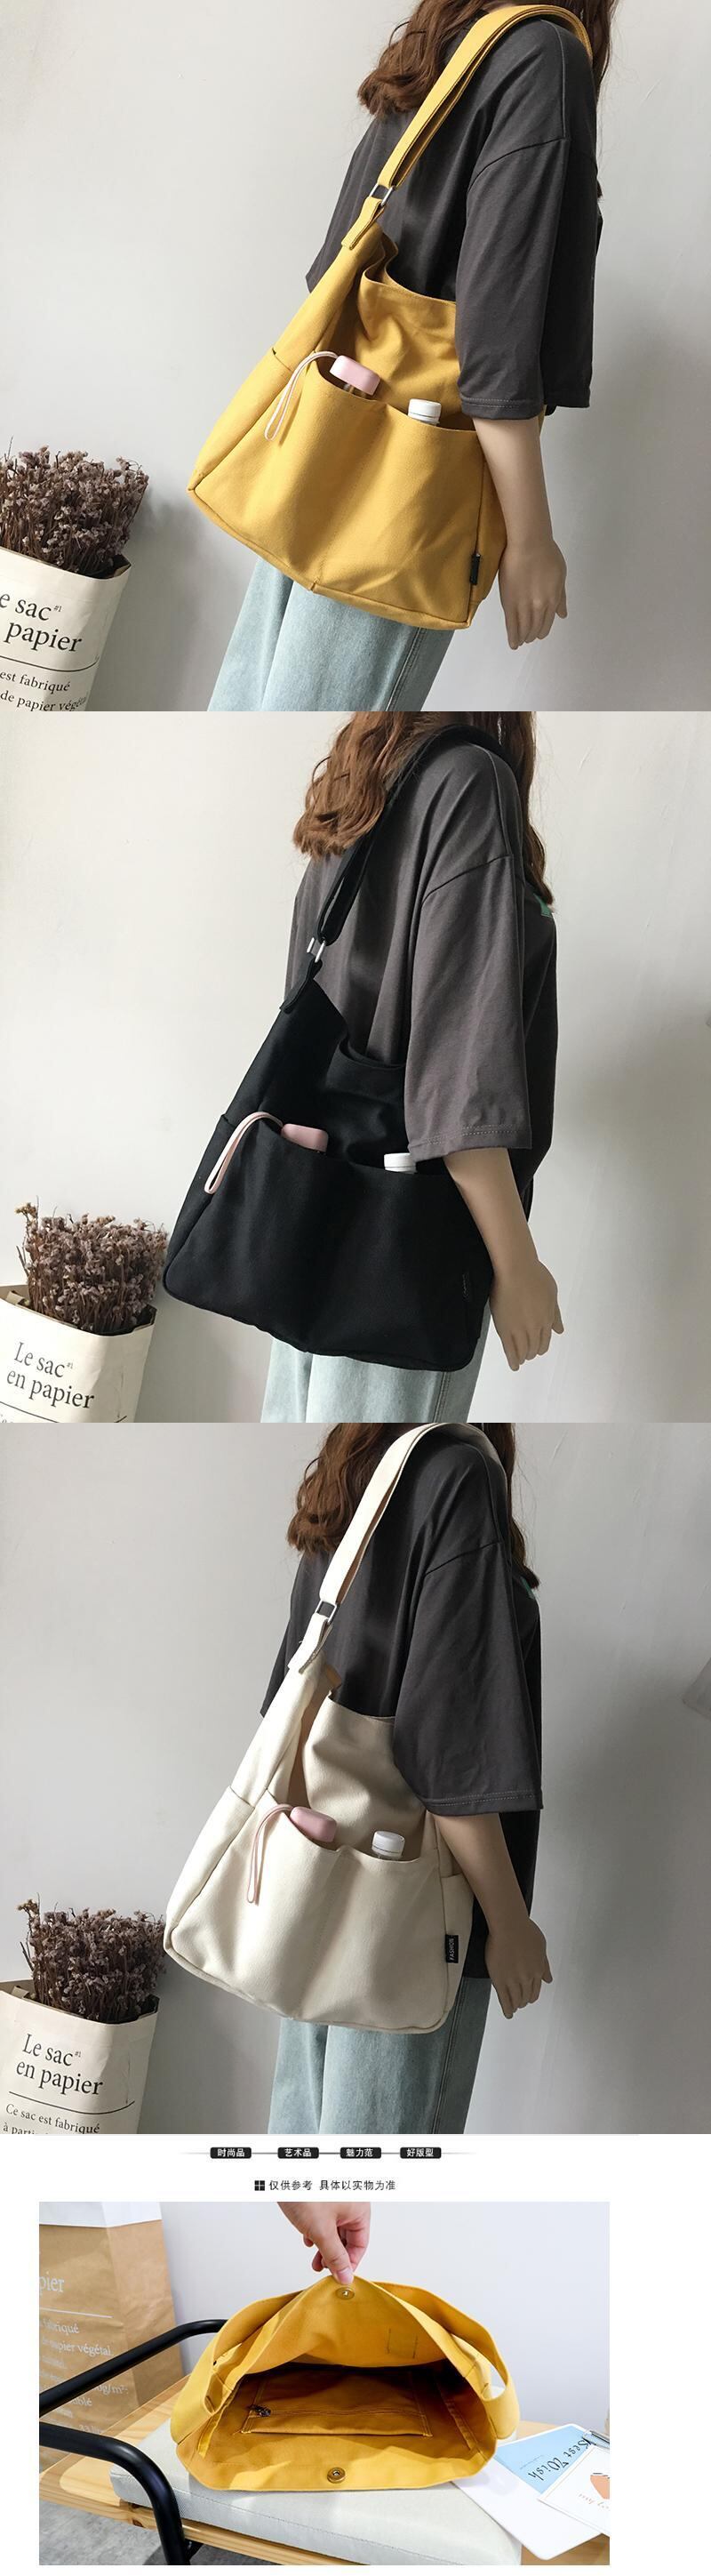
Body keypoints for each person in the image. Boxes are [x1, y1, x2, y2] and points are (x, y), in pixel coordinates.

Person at [210, 0, 616, 712]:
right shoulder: (543, 57)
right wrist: (531, 541)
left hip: (321, 454)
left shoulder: (442, 40)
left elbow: (334, 269)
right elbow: (493, 351)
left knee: (253, 709)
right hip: (408, 489)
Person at [261, 709, 563, 1425]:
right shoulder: (470, 781)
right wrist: (517, 1263)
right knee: (408, 1436)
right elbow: (460, 1086)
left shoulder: (362, 772)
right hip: (408, 1244)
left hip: (309, 1219)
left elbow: (306, 1009)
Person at [266, 1421, 552, 2136]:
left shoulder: (349, 1475)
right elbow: (449, 1755)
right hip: (418, 1921)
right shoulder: (459, 1475)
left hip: (313, 1893)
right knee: (390, 2162)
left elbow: (286, 1716)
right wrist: (510, 1923)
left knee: (308, 2146)